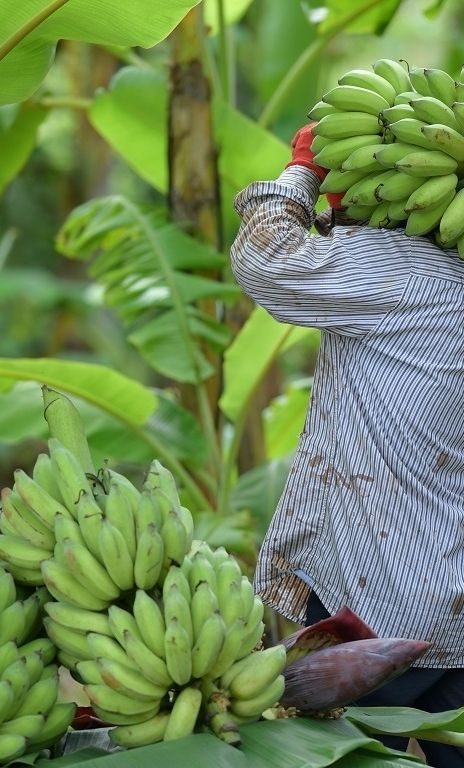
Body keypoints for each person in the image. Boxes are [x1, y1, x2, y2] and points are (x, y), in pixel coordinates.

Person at [229, 122, 464, 767]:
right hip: (452, 606)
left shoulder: (400, 266)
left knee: (345, 755)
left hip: (383, 602)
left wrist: (301, 175)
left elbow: (265, 263)